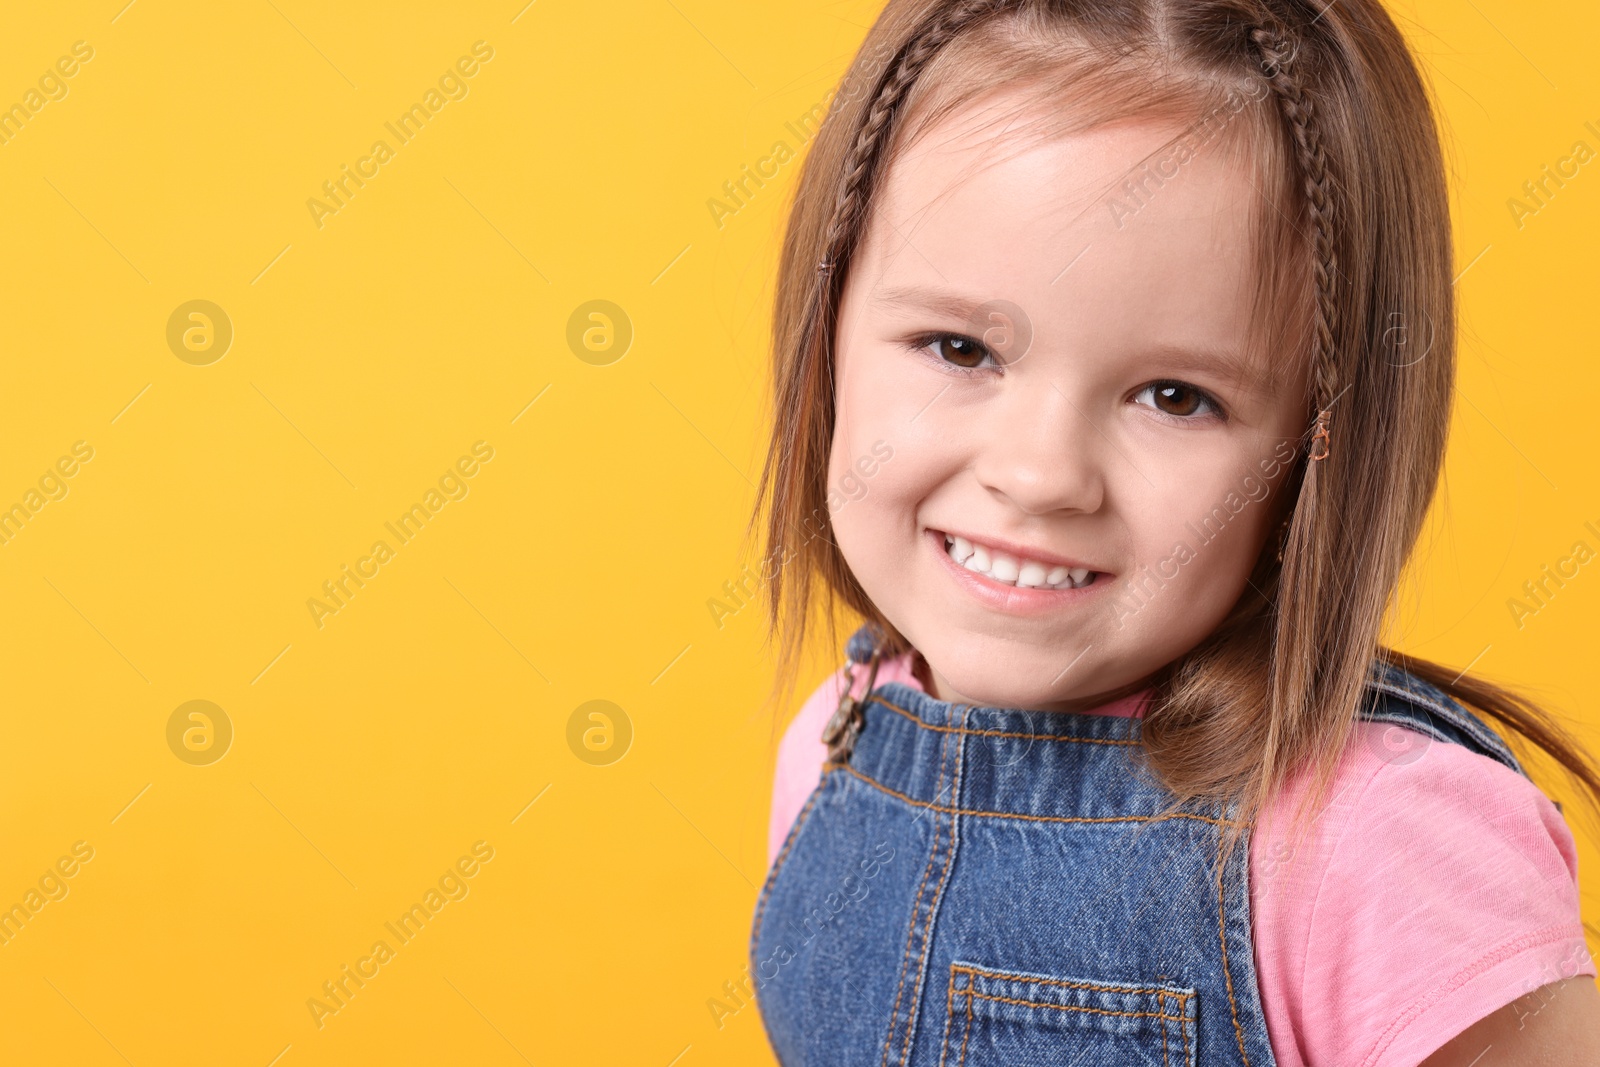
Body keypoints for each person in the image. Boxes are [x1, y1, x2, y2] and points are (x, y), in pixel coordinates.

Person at [744, 1, 1600, 1063]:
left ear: (1318, 443)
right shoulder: (839, 738)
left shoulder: (1384, 847)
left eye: (1174, 396)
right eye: (959, 347)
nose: (1039, 473)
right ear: (824, 324)